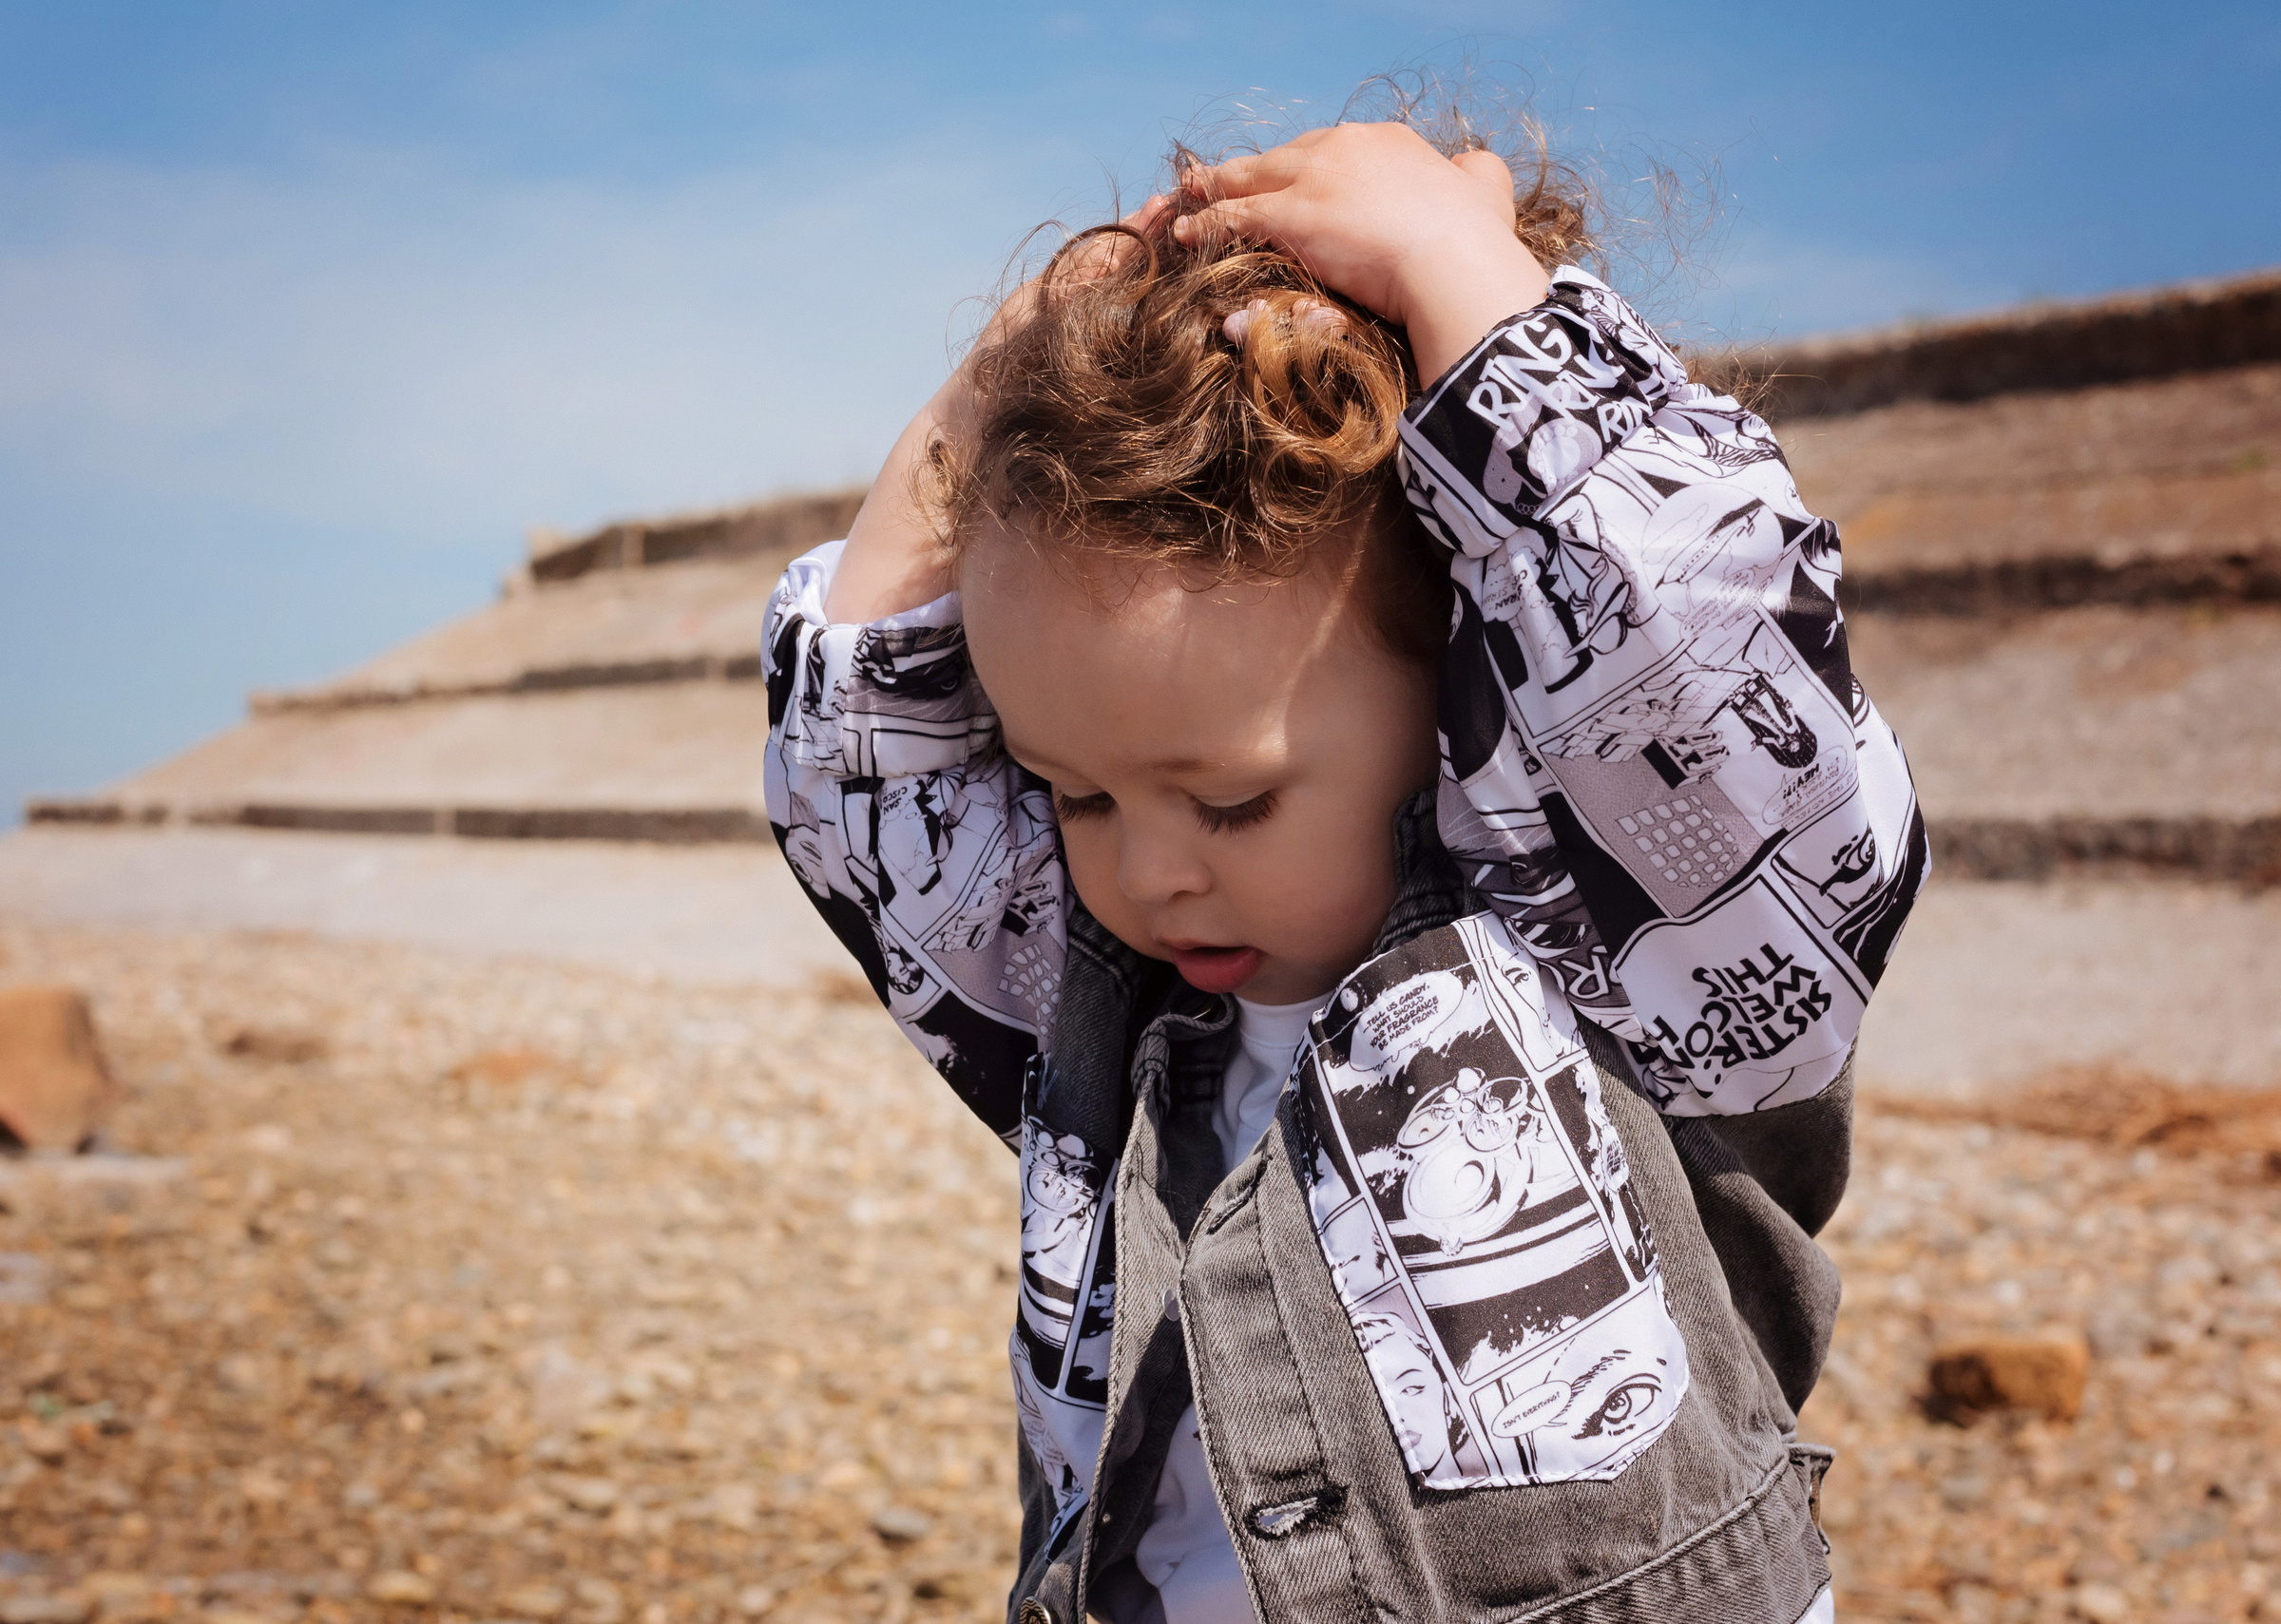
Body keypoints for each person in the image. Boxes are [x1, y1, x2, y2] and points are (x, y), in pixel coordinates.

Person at [762, 98, 1923, 1624]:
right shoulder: (1100, 1008)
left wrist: (1460, 275)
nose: (1147, 872)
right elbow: (854, 750)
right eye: (1076, 794)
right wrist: (1008, 371)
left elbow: (1702, 648)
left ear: (1463, 679)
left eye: (1229, 801)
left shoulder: (1620, 938)